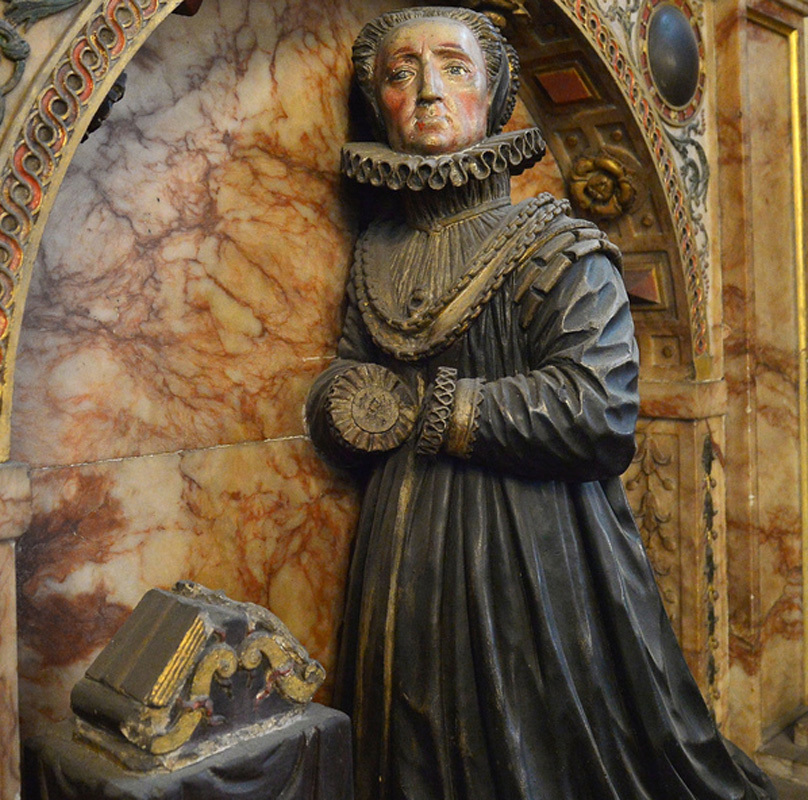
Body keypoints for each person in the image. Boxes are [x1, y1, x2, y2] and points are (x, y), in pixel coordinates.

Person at [306, 7, 776, 799]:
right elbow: (354, 377)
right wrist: (338, 402)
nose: (425, 91)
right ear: (376, 104)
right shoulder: (379, 250)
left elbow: (600, 410)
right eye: (399, 73)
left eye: (454, 67)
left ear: (494, 95)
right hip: (405, 543)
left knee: (530, 742)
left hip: (532, 542)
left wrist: (423, 409)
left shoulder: (556, 243)